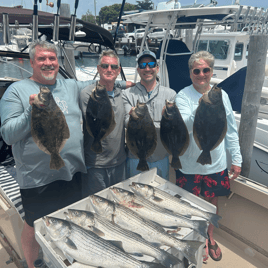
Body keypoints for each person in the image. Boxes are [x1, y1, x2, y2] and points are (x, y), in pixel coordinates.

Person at [0, 40, 133, 268]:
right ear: (31, 62)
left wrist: (122, 83)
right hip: (37, 177)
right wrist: (31, 111)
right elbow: (8, 135)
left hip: (73, 172)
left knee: (69, 223)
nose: (48, 63)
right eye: (42, 58)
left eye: (52, 58)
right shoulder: (16, 91)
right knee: (33, 226)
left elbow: (98, 81)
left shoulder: (70, 85)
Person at [175, 51, 242, 262]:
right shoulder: (182, 96)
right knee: (190, 205)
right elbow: (184, 127)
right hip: (188, 165)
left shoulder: (222, 95)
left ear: (211, 71)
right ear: (191, 73)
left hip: (216, 164)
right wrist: (202, 106)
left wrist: (237, 159)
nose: (201, 74)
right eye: (197, 70)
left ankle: (209, 238)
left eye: (206, 70)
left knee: (212, 203)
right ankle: (194, 239)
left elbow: (230, 130)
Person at [122, 50, 176, 180]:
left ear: (157, 68)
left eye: (151, 64)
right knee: (134, 194)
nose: (147, 69)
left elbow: (173, 128)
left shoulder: (170, 95)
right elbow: (125, 121)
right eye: (142, 65)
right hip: (135, 156)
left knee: (160, 194)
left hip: (160, 156)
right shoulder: (127, 94)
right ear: (138, 70)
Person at [79, 50, 127, 196]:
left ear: (118, 71)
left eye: (113, 67)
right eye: (105, 66)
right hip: (95, 163)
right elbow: (93, 123)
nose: (109, 70)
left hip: (120, 162)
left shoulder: (122, 94)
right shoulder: (88, 93)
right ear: (99, 69)